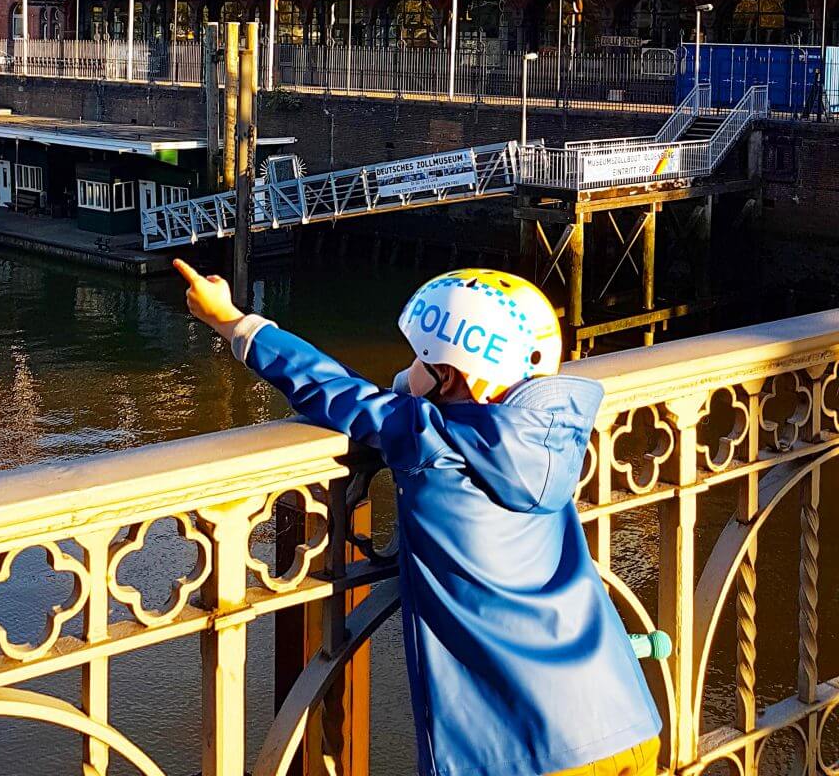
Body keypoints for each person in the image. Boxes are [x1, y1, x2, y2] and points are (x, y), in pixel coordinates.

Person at [174, 260, 662, 776]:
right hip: (621, 717)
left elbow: (331, 389)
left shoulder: (431, 442)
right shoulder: (549, 438)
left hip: (525, 753)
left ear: (448, 375)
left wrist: (230, 321)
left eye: (420, 358)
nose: (408, 368)